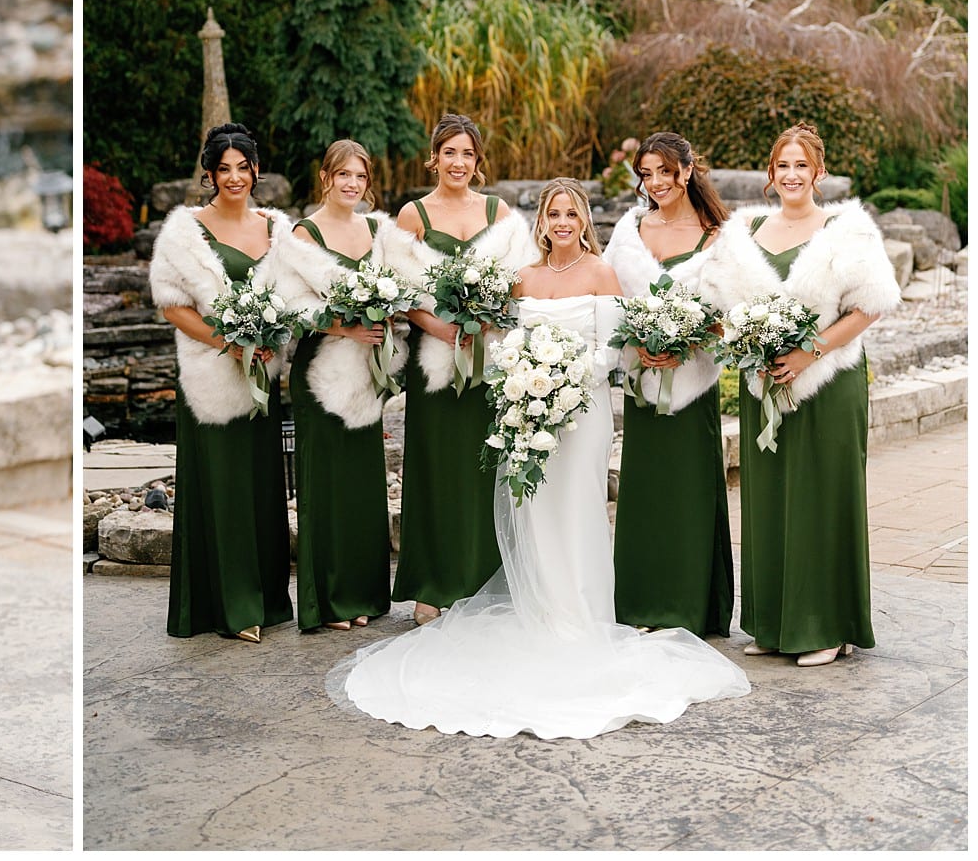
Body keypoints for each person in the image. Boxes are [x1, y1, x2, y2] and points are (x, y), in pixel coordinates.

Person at [338, 181, 749, 739]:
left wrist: (564, 381)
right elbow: (505, 344)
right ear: (542, 221)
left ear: (583, 220)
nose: (562, 222)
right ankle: (541, 610)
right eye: (553, 213)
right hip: (527, 413)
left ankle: (583, 616)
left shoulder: (603, 274)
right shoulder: (523, 278)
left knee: (578, 507)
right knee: (532, 507)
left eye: (571, 214)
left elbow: (613, 351)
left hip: (583, 412)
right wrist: (526, 386)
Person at [693, 124, 900, 667]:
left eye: (801, 167)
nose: (791, 176)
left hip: (828, 383)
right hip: (766, 384)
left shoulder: (846, 229)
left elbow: (870, 306)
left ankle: (827, 627)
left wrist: (810, 352)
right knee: (770, 501)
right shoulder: (744, 233)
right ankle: (775, 624)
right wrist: (743, 343)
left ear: (818, 173)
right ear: (771, 173)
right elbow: (713, 307)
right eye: (782, 166)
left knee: (823, 498)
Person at [148, 123, 295, 643]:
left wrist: (272, 338)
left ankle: (268, 599)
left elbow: (297, 297)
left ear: (256, 171)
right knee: (223, 487)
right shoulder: (185, 230)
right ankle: (232, 607)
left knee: (259, 489)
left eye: (243, 166)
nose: (235, 177)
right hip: (212, 378)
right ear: (209, 174)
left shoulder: (277, 228)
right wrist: (228, 343)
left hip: (262, 380)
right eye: (224, 168)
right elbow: (171, 305)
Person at [391, 114, 536, 626]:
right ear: (434, 158)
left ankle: (485, 579)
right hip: (435, 364)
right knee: (434, 468)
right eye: (449, 153)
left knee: (486, 468)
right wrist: (442, 329)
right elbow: (401, 293)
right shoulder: (412, 216)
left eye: (467, 154)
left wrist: (489, 321)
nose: (458, 163)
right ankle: (432, 585)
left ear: (478, 161)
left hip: (489, 364)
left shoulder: (499, 214)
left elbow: (521, 284)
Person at [265, 139, 414, 632]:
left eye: (360, 177)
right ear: (325, 178)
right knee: (325, 485)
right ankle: (328, 602)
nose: (352, 184)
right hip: (320, 373)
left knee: (362, 485)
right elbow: (289, 304)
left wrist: (387, 311)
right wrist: (344, 326)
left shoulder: (378, 230)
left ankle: (364, 595)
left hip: (366, 376)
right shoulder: (302, 235)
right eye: (343, 175)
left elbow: (405, 283)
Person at [601, 131, 733, 637]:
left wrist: (688, 339)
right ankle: (640, 602)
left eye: (663, 171)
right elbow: (610, 301)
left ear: (686, 169)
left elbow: (730, 313)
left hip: (694, 384)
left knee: (690, 489)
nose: (655, 183)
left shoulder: (717, 234)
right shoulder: (630, 231)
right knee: (645, 488)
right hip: (644, 382)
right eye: (646, 174)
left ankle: (687, 607)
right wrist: (640, 346)